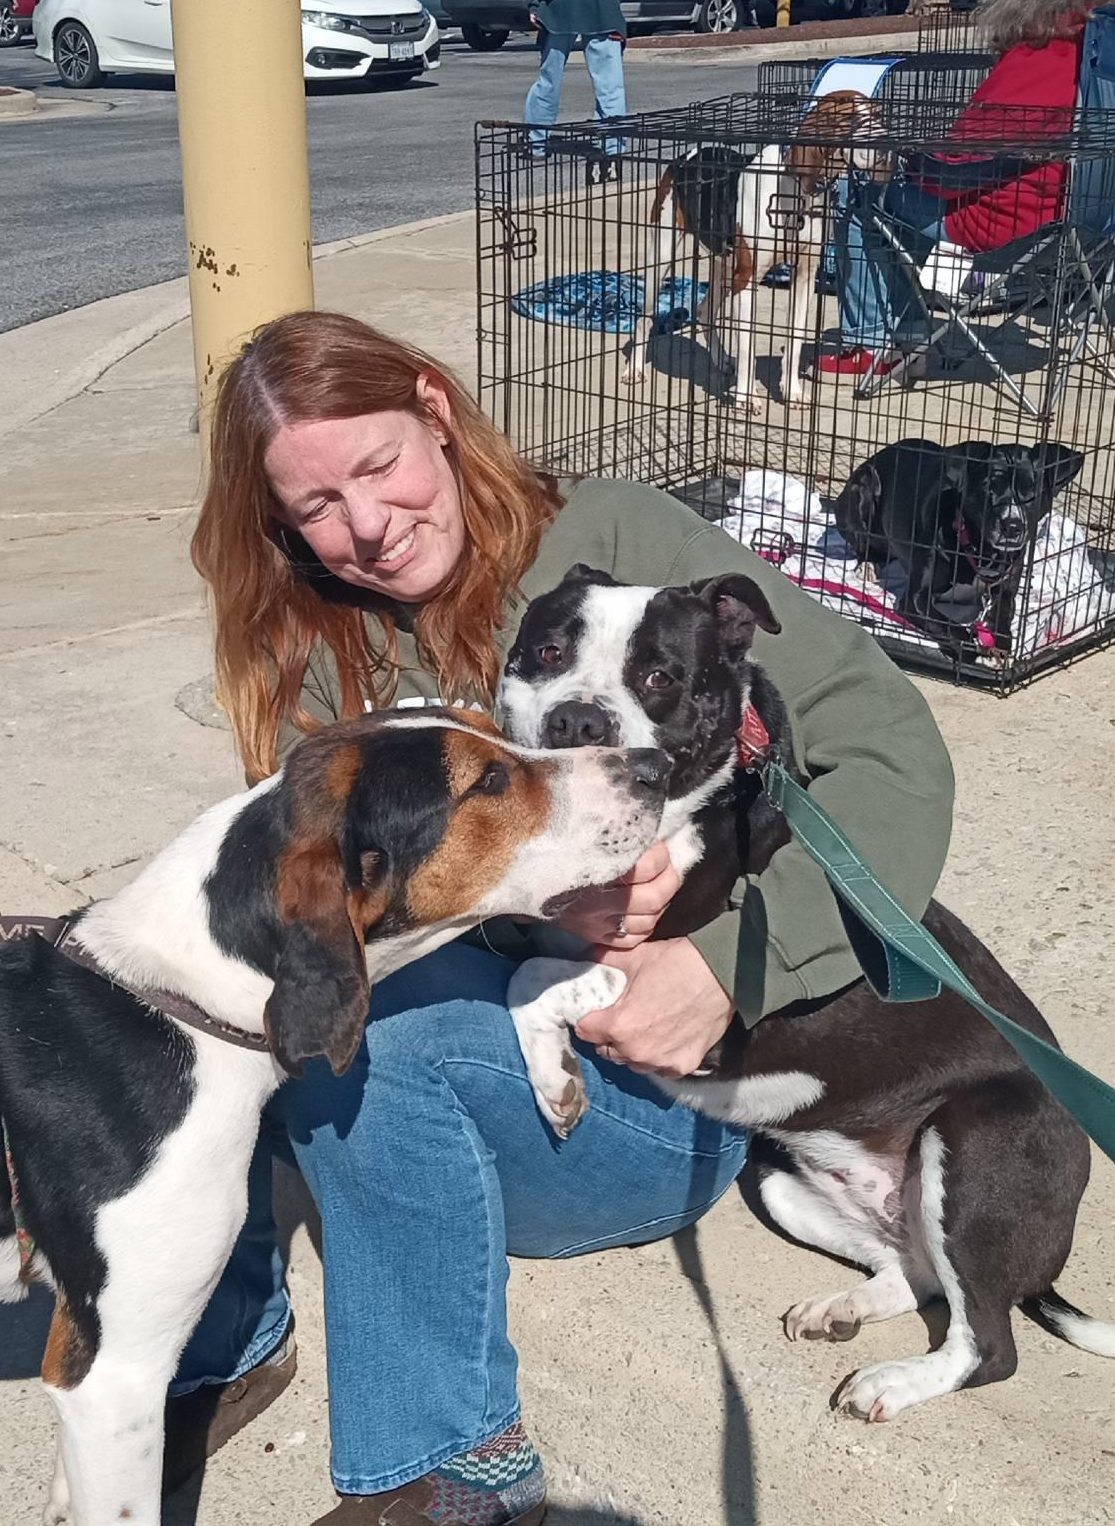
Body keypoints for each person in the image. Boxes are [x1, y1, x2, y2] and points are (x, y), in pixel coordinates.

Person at [174, 310, 955, 1525]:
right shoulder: (318, 656)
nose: (367, 525)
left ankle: (457, 1471)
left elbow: (891, 752)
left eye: (379, 465)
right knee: (246, 993)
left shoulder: (616, 543)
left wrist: (724, 967)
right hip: (497, 1033)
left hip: (645, 1104)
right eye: (317, 506)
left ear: (435, 411)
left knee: (368, 1053)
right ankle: (227, 1338)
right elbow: (332, 915)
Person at [817, 0, 1115, 379]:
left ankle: (872, 343)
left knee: (860, 193)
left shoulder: (1043, 51)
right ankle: (909, 338)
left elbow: (954, 172)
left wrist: (909, 160)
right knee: (899, 210)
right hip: (1099, 219)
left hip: (1008, 226)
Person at [522, 0, 629, 181]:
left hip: (559, 6)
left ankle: (537, 143)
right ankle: (612, 152)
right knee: (610, 87)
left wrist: (534, 5)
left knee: (548, 82)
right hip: (603, 8)